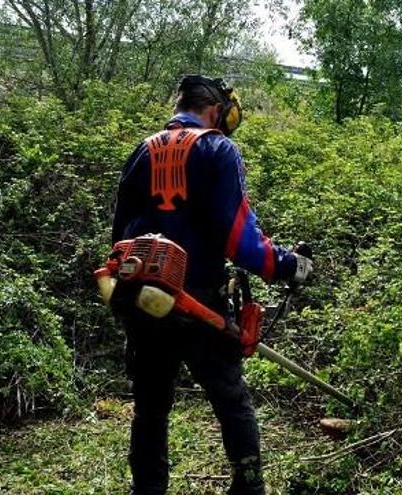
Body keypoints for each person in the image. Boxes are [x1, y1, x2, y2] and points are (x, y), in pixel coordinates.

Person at [111, 75, 312, 495]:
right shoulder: (218, 148)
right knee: (230, 398)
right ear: (215, 110)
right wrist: (287, 266)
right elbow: (239, 241)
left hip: (143, 300)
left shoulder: (142, 150)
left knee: (150, 409)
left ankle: (147, 490)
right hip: (197, 302)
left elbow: (119, 236)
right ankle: (249, 486)